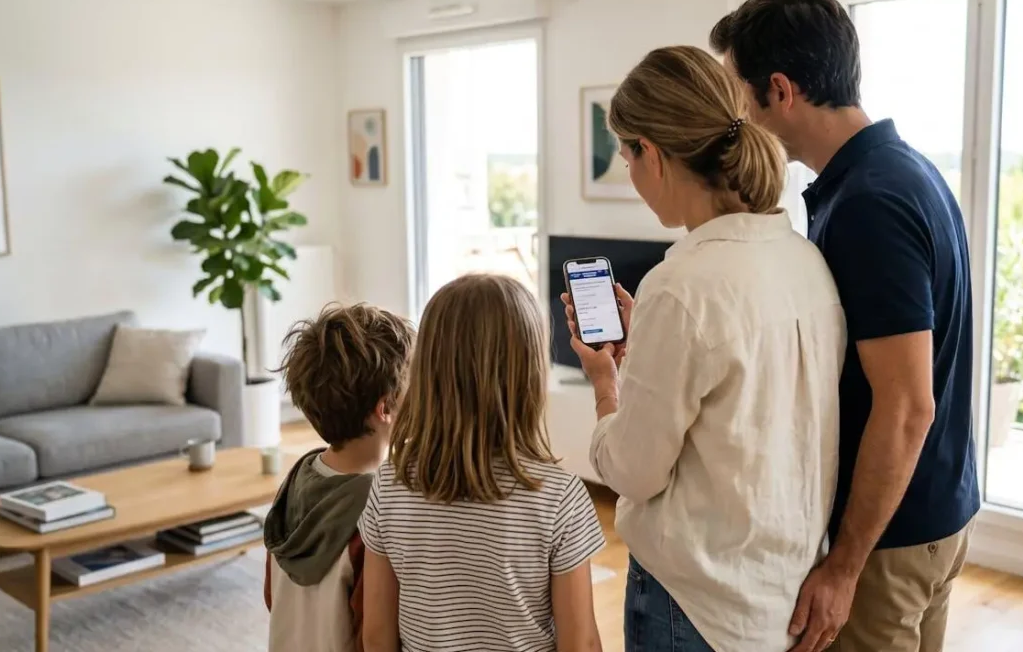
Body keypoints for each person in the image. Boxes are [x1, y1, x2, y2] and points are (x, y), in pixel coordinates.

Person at [711, 0, 980, 652]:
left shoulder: (870, 202)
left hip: (891, 538)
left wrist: (845, 564)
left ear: (780, 90)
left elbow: (907, 405)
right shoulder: (906, 171)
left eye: (739, 96)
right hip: (936, 512)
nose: (738, 120)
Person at [563, 45, 846, 652]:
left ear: (654, 155)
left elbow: (635, 472)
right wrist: (649, 346)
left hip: (694, 605)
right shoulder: (804, 259)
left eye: (627, 156)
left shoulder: (681, 286)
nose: (631, 177)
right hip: (782, 592)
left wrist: (607, 385)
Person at [358, 274, 606, 652]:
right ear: (529, 374)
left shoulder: (389, 483)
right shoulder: (560, 498)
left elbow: (376, 635)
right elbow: (581, 644)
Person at [264, 303, 416, 652]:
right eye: (417, 386)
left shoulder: (296, 481)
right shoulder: (376, 511)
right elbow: (377, 634)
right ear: (386, 408)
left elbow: (273, 596)